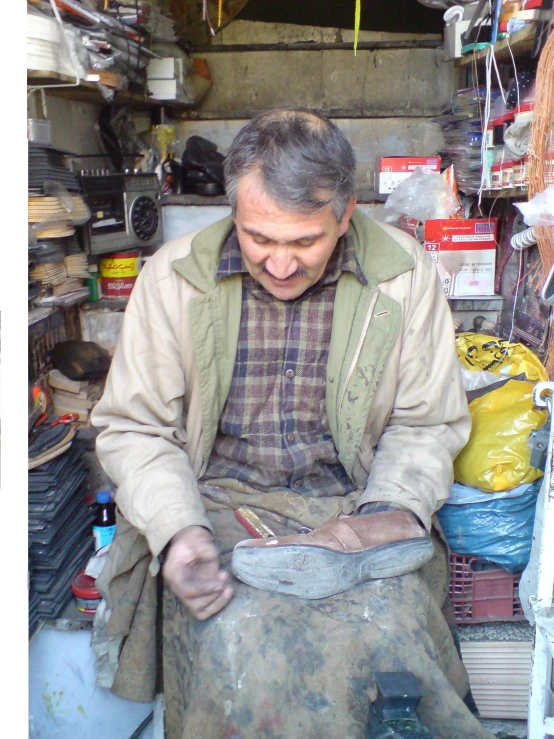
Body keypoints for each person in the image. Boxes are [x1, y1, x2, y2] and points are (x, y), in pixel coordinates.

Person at [92, 109, 494, 739]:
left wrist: (389, 511)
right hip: (219, 504)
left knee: (394, 635)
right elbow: (136, 427)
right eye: (259, 239)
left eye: (304, 241)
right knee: (239, 639)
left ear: (345, 216)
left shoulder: (404, 276)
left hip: (354, 507)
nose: (279, 264)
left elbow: (425, 421)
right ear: (233, 214)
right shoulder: (173, 279)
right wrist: (177, 530)